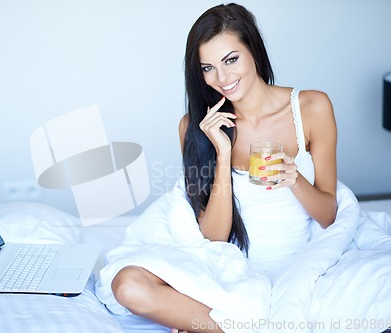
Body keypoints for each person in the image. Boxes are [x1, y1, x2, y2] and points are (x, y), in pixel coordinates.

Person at [111, 3, 338, 332]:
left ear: (253, 51)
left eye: (231, 60)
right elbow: (214, 237)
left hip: (292, 265)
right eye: (208, 68)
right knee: (127, 284)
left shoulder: (312, 107)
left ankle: (213, 324)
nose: (222, 78)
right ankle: (232, 324)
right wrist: (222, 152)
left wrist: (295, 179)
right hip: (226, 269)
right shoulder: (196, 126)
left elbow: (330, 214)